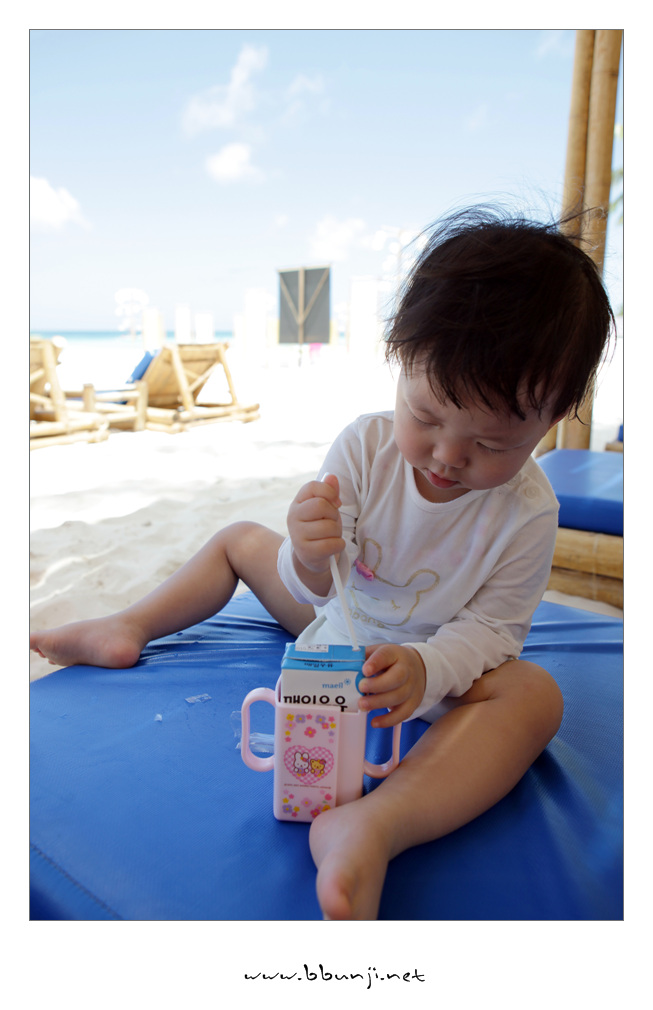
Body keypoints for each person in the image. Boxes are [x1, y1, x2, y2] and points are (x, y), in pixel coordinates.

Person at [31, 206, 614, 920]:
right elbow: (313, 583)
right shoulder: (364, 448)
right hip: (337, 622)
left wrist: (426, 668)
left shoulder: (529, 511)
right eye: (426, 417)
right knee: (239, 539)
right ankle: (128, 625)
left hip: (425, 671)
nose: (446, 456)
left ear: (550, 422)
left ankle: (376, 824)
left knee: (534, 696)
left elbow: (494, 631)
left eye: (491, 444)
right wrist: (307, 552)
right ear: (400, 362)